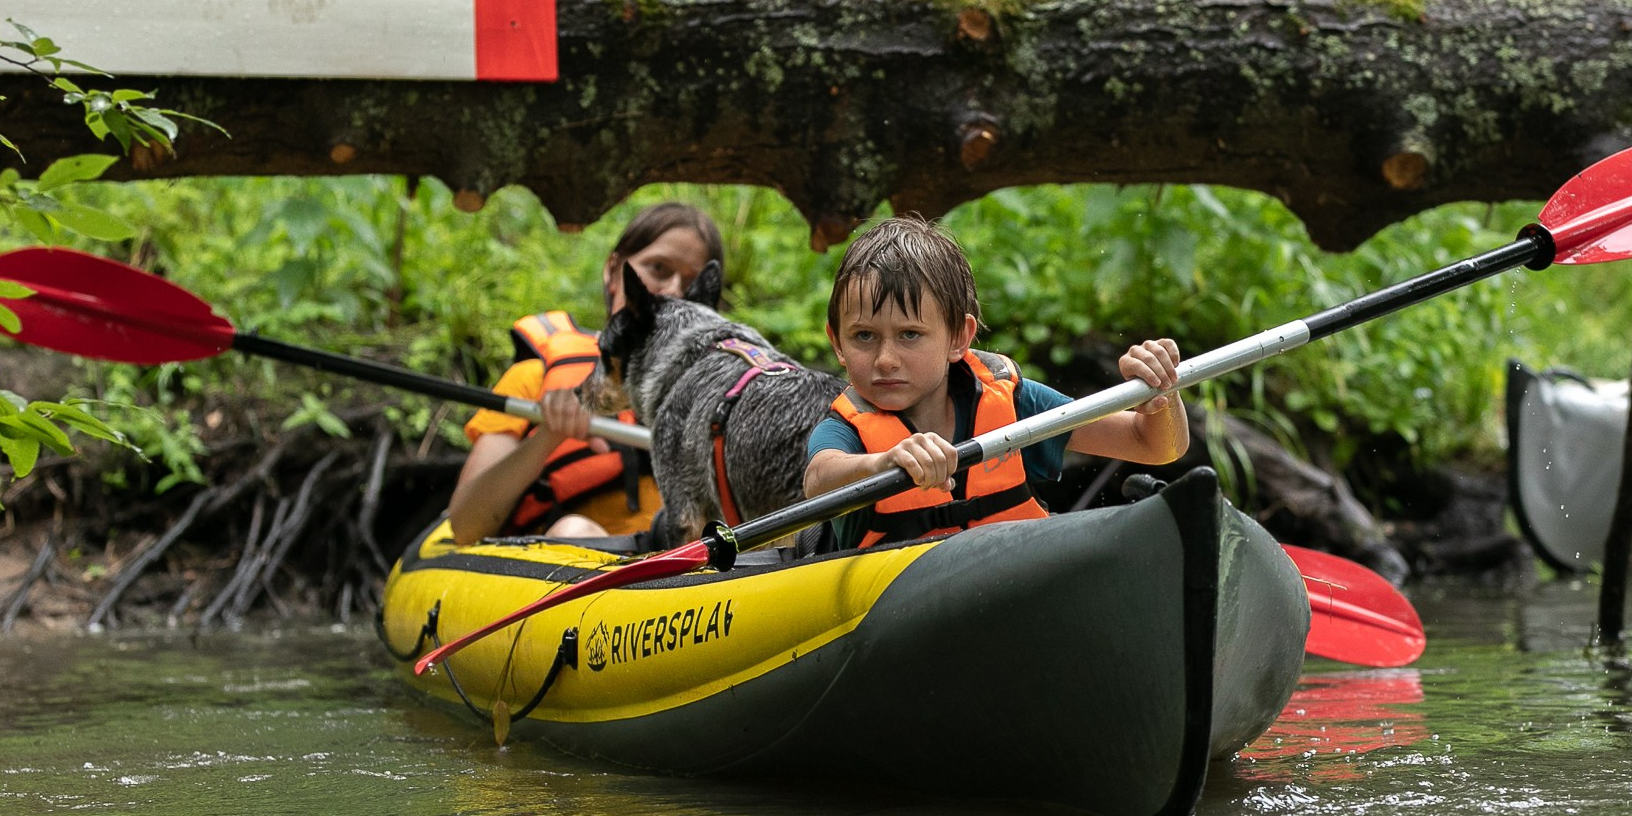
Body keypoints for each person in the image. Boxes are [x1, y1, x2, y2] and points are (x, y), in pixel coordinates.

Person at [802, 215, 1191, 545]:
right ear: (837, 343)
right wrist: (882, 463)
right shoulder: (845, 431)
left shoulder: (1012, 402)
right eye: (864, 336)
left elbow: (1155, 446)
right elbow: (818, 480)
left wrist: (1162, 393)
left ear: (959, 338)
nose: (886, 360)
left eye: (910, 335)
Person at [446, 202, 724, 544]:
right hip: (579, 555)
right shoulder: (533, 378)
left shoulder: (722, 394)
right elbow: (466, 527)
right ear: (613, 270)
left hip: (691, 561)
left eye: (692, 283)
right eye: (658, 268)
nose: (674, 292)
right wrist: (549, 434)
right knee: (574, 530)